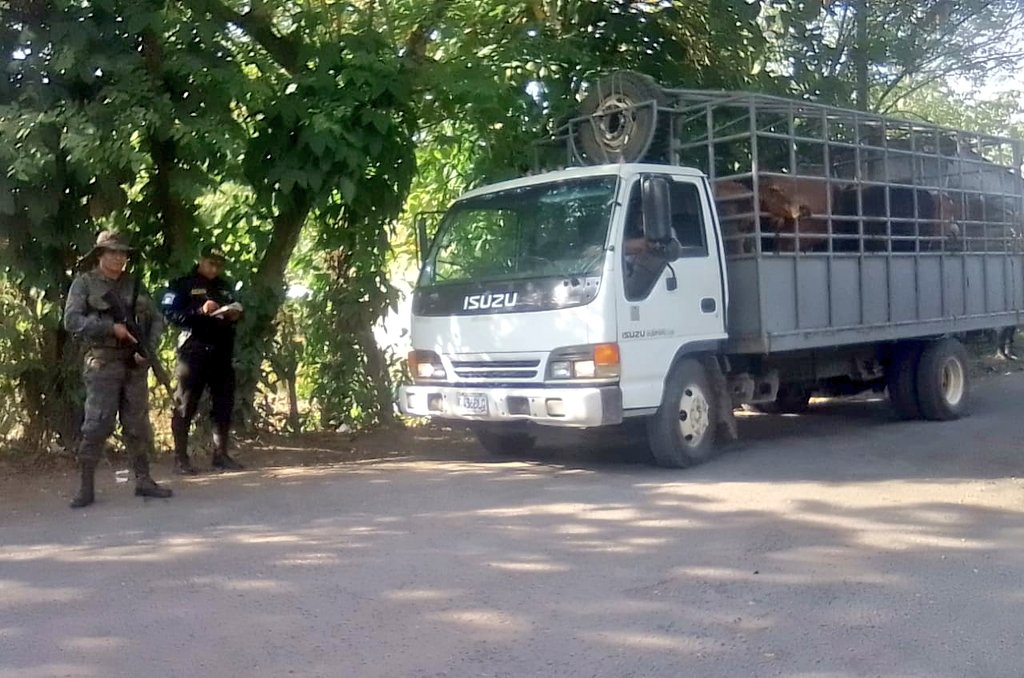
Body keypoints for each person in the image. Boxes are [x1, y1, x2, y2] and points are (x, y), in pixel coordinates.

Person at [64, 231, 174, 509]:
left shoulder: (134, 284)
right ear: (100, 255)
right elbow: (72, 320)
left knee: (137, 424)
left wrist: (145, 349)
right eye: (113, 252)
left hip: (133, 364)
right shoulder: (85, 283)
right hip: (103, 363)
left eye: (123, 253)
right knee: (97, 424)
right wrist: (109, 328)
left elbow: (156, 319)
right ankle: (86, 488)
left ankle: (143, 480)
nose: (119, 257)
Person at [161, 244, 245, 474]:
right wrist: (200, 312)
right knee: (186, 404)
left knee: (224, 403)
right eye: (210, 263)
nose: (214, 269)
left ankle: (221, 454)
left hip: (222, 352)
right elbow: (171, 314)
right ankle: (180, 458)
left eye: (219, 265)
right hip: (194, 351)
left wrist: (233, 314)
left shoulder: (224, 286)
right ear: (200, 260)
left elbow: (237, 311)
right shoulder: (182, 285)